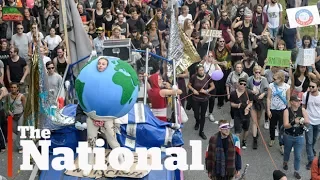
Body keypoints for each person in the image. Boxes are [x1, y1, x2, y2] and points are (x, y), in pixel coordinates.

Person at [282, 95, 309, 179]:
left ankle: (296, 171)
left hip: (299, 136)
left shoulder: (303, 110)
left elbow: (308, 122)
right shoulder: (287, 111)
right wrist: (294, 122)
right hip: (288, 136)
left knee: (298, 155)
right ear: (292, 102)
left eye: (299, 101)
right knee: (287, 152)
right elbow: (286, 125)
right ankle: (285, 162)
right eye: (297, 101)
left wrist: (303, 121)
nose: (299, 102)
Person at [188, 64, 215, 139]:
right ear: (197, 71)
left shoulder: (207, 77)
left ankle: (201, 131)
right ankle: (197, 122)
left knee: (203, 115)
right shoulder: (193, 77)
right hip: (195, 99)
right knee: (196, 114)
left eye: (202, 70)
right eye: (200, 70)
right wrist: (193, 90)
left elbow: (213, 86)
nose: (202, 72)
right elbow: (189, 85)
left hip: (204, 99)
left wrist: (206, 91)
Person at [267, 71, 290, 150]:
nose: (273, 80)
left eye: (275, 79)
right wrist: (268, 110)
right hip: (273, 108)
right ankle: (272, 138)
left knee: (281, 127)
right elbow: (268, 98)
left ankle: (281, 143)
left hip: (282, 109)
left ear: (280, 79)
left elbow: (288, 99)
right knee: (272, 125)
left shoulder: (287, 87)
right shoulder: (271, 86)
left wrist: (288, 110)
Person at [230, 77, 253, 149]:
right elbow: (231, 104)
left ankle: (244, 140)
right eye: (241, 84)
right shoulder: (233, 93)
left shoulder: (248, 92)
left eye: (244, 84)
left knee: (246, 129)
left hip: (246, 114)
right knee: (237, 131)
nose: (242, 85)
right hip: (237, 114)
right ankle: (236, 144)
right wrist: (237, 105)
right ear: (238, 84)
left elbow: (251, 102)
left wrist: (247, 107)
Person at [302, 79, 320, 170]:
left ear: (318, 87)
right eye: (309, 86)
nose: (310, 88)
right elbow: (303, 107)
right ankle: (311, 160)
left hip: (318, 122)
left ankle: (312, 149)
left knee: (314, 139)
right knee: (309, 141)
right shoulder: (306, 95)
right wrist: (305, 118)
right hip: (309, 122)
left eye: (313, 87)